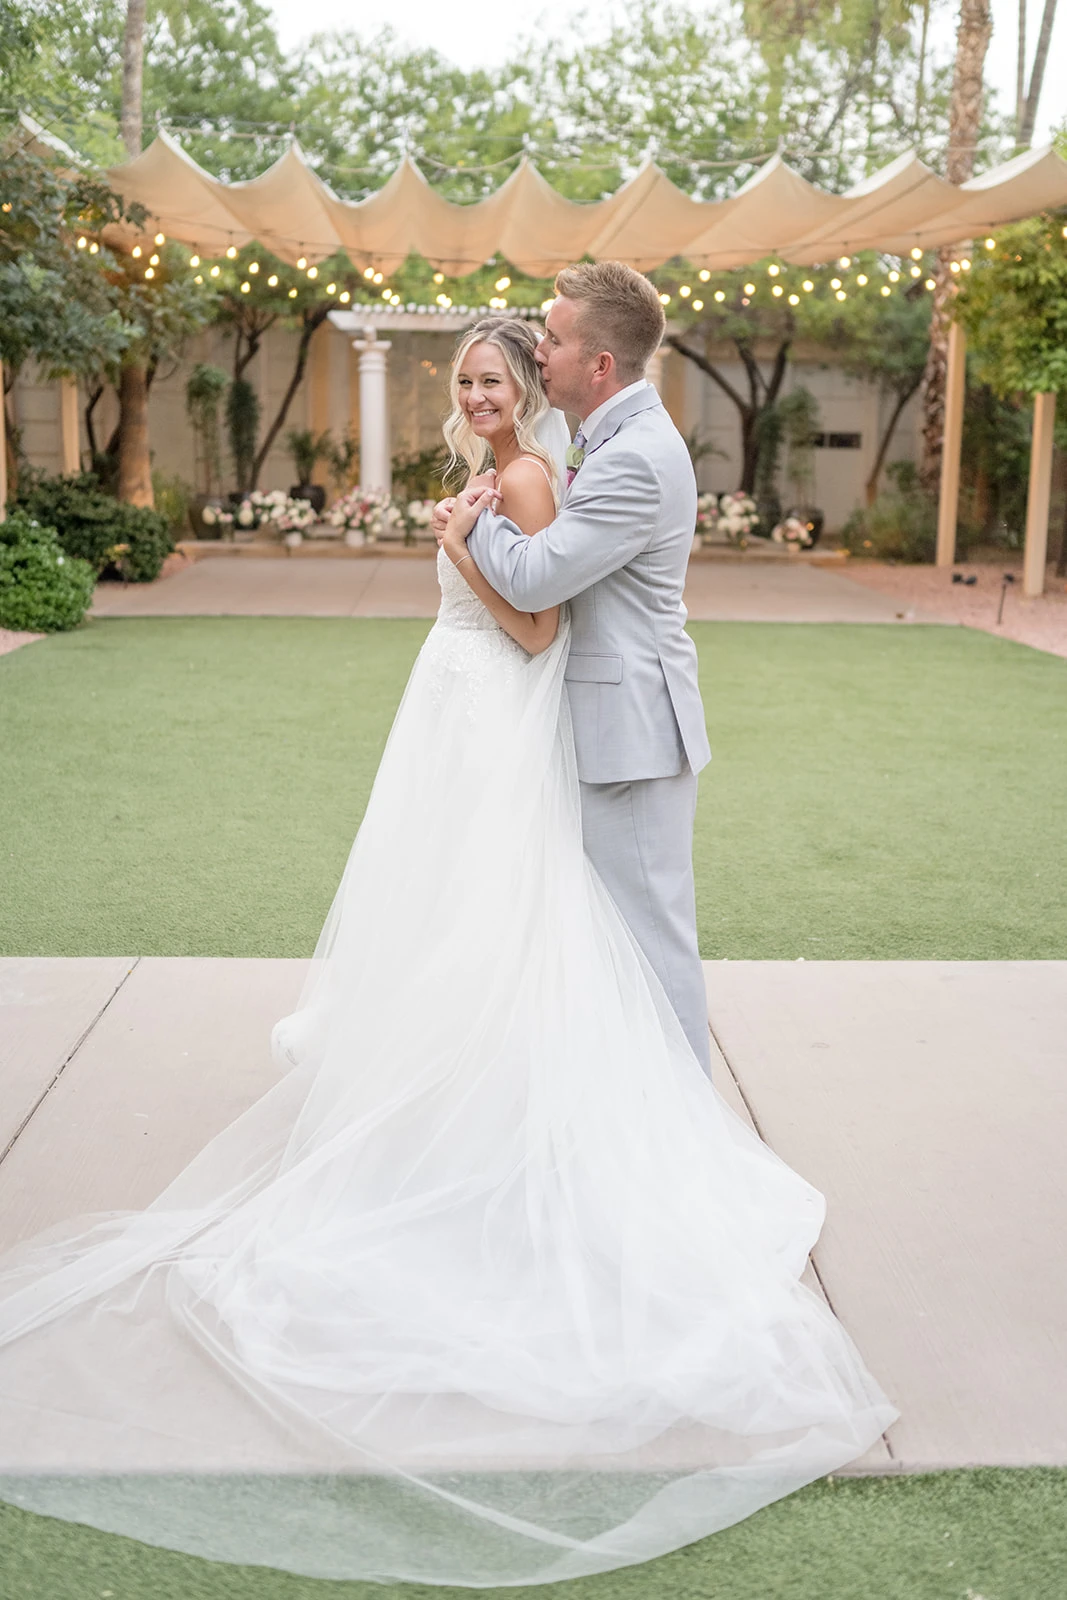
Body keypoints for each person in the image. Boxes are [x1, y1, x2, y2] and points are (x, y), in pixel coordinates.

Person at [0, 311, 897, 1591]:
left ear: (538, 381)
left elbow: (536, 625)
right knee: (452, 939)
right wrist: (463, 526)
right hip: (456, 721)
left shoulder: (533, 474)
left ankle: (593, 1153)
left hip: (499, 713)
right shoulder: (505, 469)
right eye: (465, 378)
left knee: (516, 939)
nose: (478, 393)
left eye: (497, 376)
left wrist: (464, 539)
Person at [438, 263, 714, 1074]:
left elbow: (534, 577)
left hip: (627, 731)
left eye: (552, 339)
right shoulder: (611, 439)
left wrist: (467, 522)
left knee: (647, 937)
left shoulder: (634, 456)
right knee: (605, 936)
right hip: (602, 720)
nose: (537, 349)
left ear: (599, 365)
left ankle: (682, 1131)